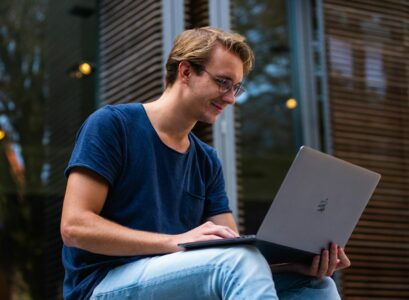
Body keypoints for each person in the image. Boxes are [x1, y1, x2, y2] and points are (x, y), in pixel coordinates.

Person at [60, 27, 350, 300]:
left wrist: (293, 265)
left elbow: (234, 252)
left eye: (237, 88)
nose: (231, 98)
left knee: (315, 285)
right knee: (239, 259)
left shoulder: (206, 159)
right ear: (185, 71)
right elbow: (74, 227)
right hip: (102, 285)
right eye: (223, 82)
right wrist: (174, 241)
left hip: (175, 279)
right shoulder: (113, 125)